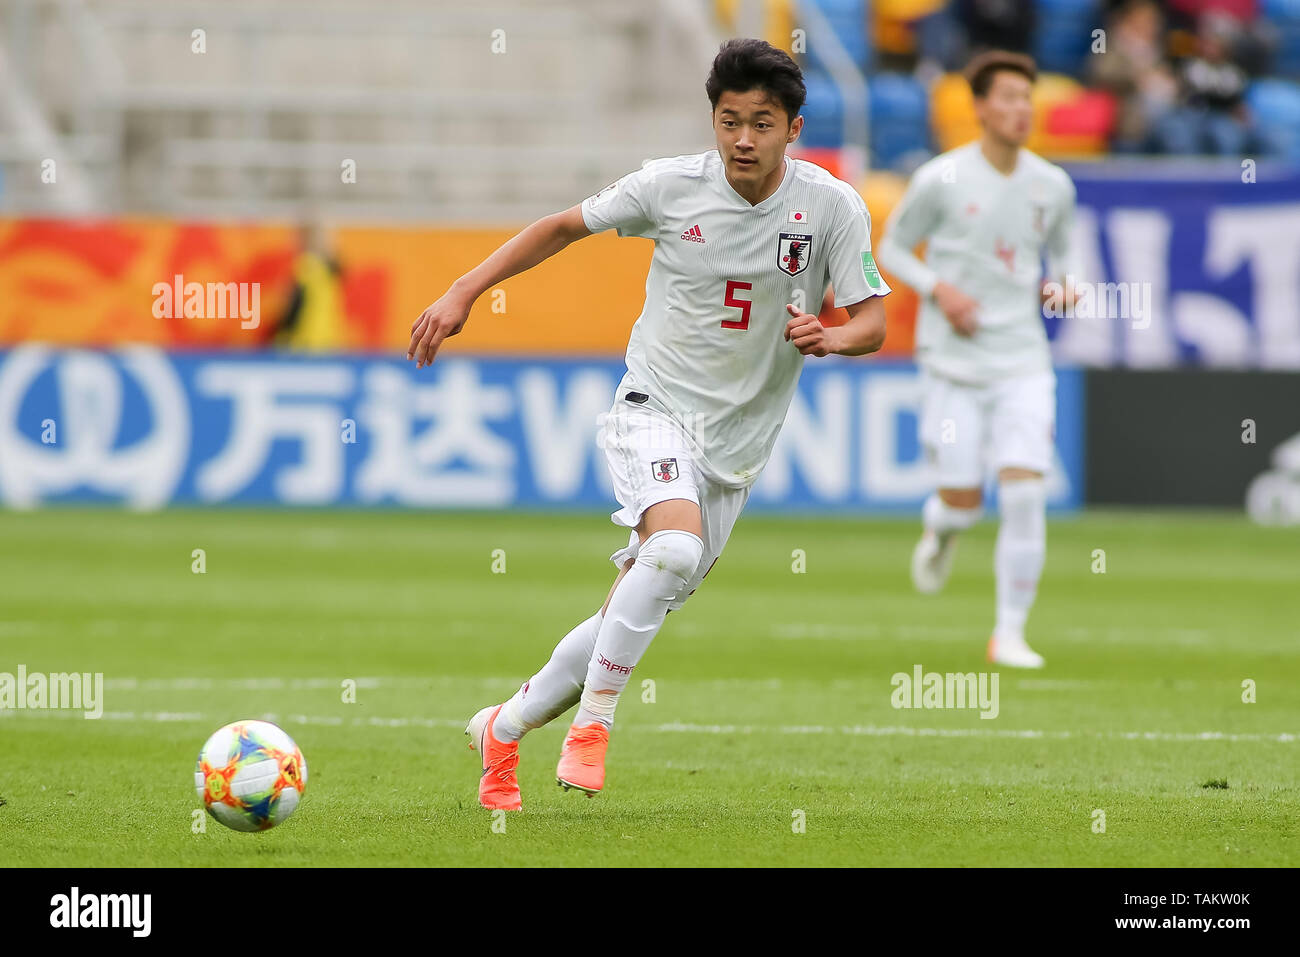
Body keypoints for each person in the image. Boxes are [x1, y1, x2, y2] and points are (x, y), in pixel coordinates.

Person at [407, 38, 890, 810]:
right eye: (728, 120)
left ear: (792, 128)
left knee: (633, 600)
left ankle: (503, 725)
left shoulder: (831, 207)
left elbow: (874, 321)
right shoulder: (670, 187)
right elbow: (562, 226)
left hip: (736, 451)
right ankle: (593, 726)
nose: (741, 138)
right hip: (654, 409)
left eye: (761, 123)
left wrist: (833, 337)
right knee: (671, 547)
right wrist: (464, 290)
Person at [877, 50, 1081, 670]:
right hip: (952, 361)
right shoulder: (940, 177)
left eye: (1029, 97)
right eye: (1011, 97)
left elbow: (1068, 263)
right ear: (981, 106)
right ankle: (941, 528)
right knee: (962, 498)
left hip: (1022, 360)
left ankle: (1010, 633)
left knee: (1024, 493)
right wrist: (940, 288)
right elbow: (890, 246)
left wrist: (1064, 289)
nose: (1023, 109)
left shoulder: (1053, 185)